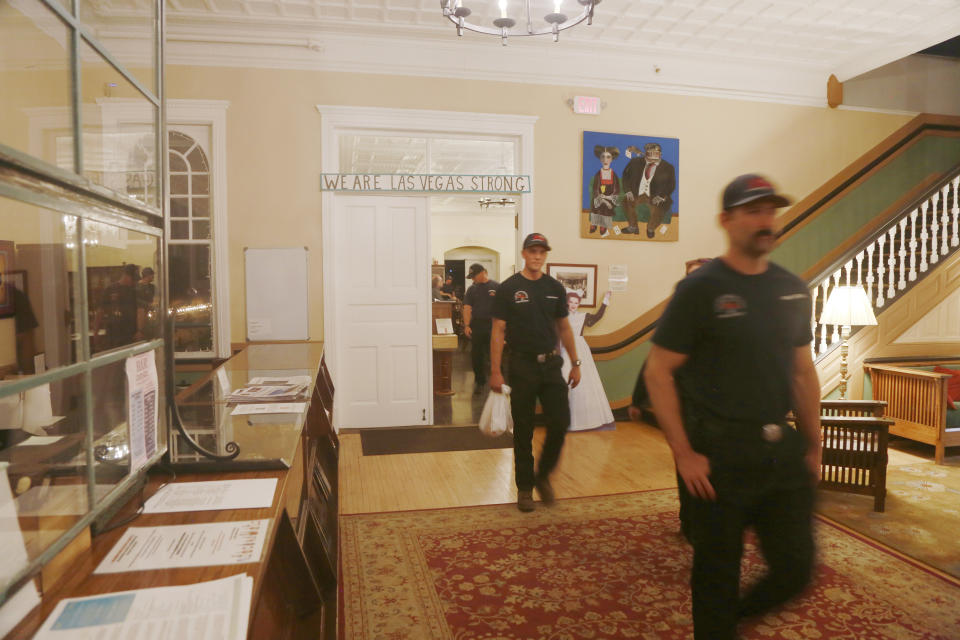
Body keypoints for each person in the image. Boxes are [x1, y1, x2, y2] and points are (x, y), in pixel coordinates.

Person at [644, 174, 821, 640]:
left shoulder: (792, 289)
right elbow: (657, 372)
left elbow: (803, 372)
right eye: (754, 211)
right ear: (727, 220)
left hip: (780, 451)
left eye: (771, 210)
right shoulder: (700, 290)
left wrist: (814, 446)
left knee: (796, 568)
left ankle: (733, 619)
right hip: (719, 456)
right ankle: (719, 625)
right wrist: (683, 453)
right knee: (716, 577)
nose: (767, 221)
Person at [490, 233, 581, 512]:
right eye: (532, 251)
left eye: (542, 252)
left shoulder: (554, 287)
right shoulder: (509, 288)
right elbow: (498, 331)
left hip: (552, 366)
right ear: (524, 253)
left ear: (545, 255)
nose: (537, 256)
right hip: (521, 366)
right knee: (524, 430)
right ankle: (525, 488)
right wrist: (495, 371)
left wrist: (576, 363)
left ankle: (543, 475)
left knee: (561, 422)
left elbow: (564, 327)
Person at [560, 290, 615, 431]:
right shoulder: (561, 316)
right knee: (564, 380)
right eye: (571, 302)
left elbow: (597, 317)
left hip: (580, 350)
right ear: (567, 302)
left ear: (579, 304)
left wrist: (605, 301)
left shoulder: (583, 317)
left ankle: (584, 420)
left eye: (576, 302)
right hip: (565, 347)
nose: (573, 305)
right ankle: (563, 420)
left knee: (584, 382)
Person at [622, 142, 677, 238]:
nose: (652, 156)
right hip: (637, 192)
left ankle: (651, 228)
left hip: (656, 195)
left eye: (655, 153)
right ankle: (633, 226)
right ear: (646, 153)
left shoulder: (668, 167)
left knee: (660, 207)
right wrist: (628, 191)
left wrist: (661, 196)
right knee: (626, 201)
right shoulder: (635, 162)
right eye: (649, 153)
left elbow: (671, 185)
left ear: (660, 154)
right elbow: (625, 176)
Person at [463, 263, 499, 395]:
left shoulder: (496, 287)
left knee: (494, 353)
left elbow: (504, 309)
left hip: (493, 326)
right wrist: (466, 325)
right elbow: (467, 308)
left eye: (474, 276)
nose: (473, 279)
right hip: (477, 325)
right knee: (476, 355)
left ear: (483, 272)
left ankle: (497, 381)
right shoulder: (472, 289)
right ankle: (480, 381)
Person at [588, 145, 622, 238]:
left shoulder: (613, 175)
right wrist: (601, 198)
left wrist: (609, 198)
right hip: (599, 197)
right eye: (603, 157)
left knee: (607, 209)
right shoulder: (598, 174)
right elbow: (595, 189)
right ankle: (594, 223)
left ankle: (603, 226)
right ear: (600, 159)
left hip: (610, 198)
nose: (605, 160)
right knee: (596, 206)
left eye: (608, 157)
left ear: (612, 159)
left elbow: (616, 189)